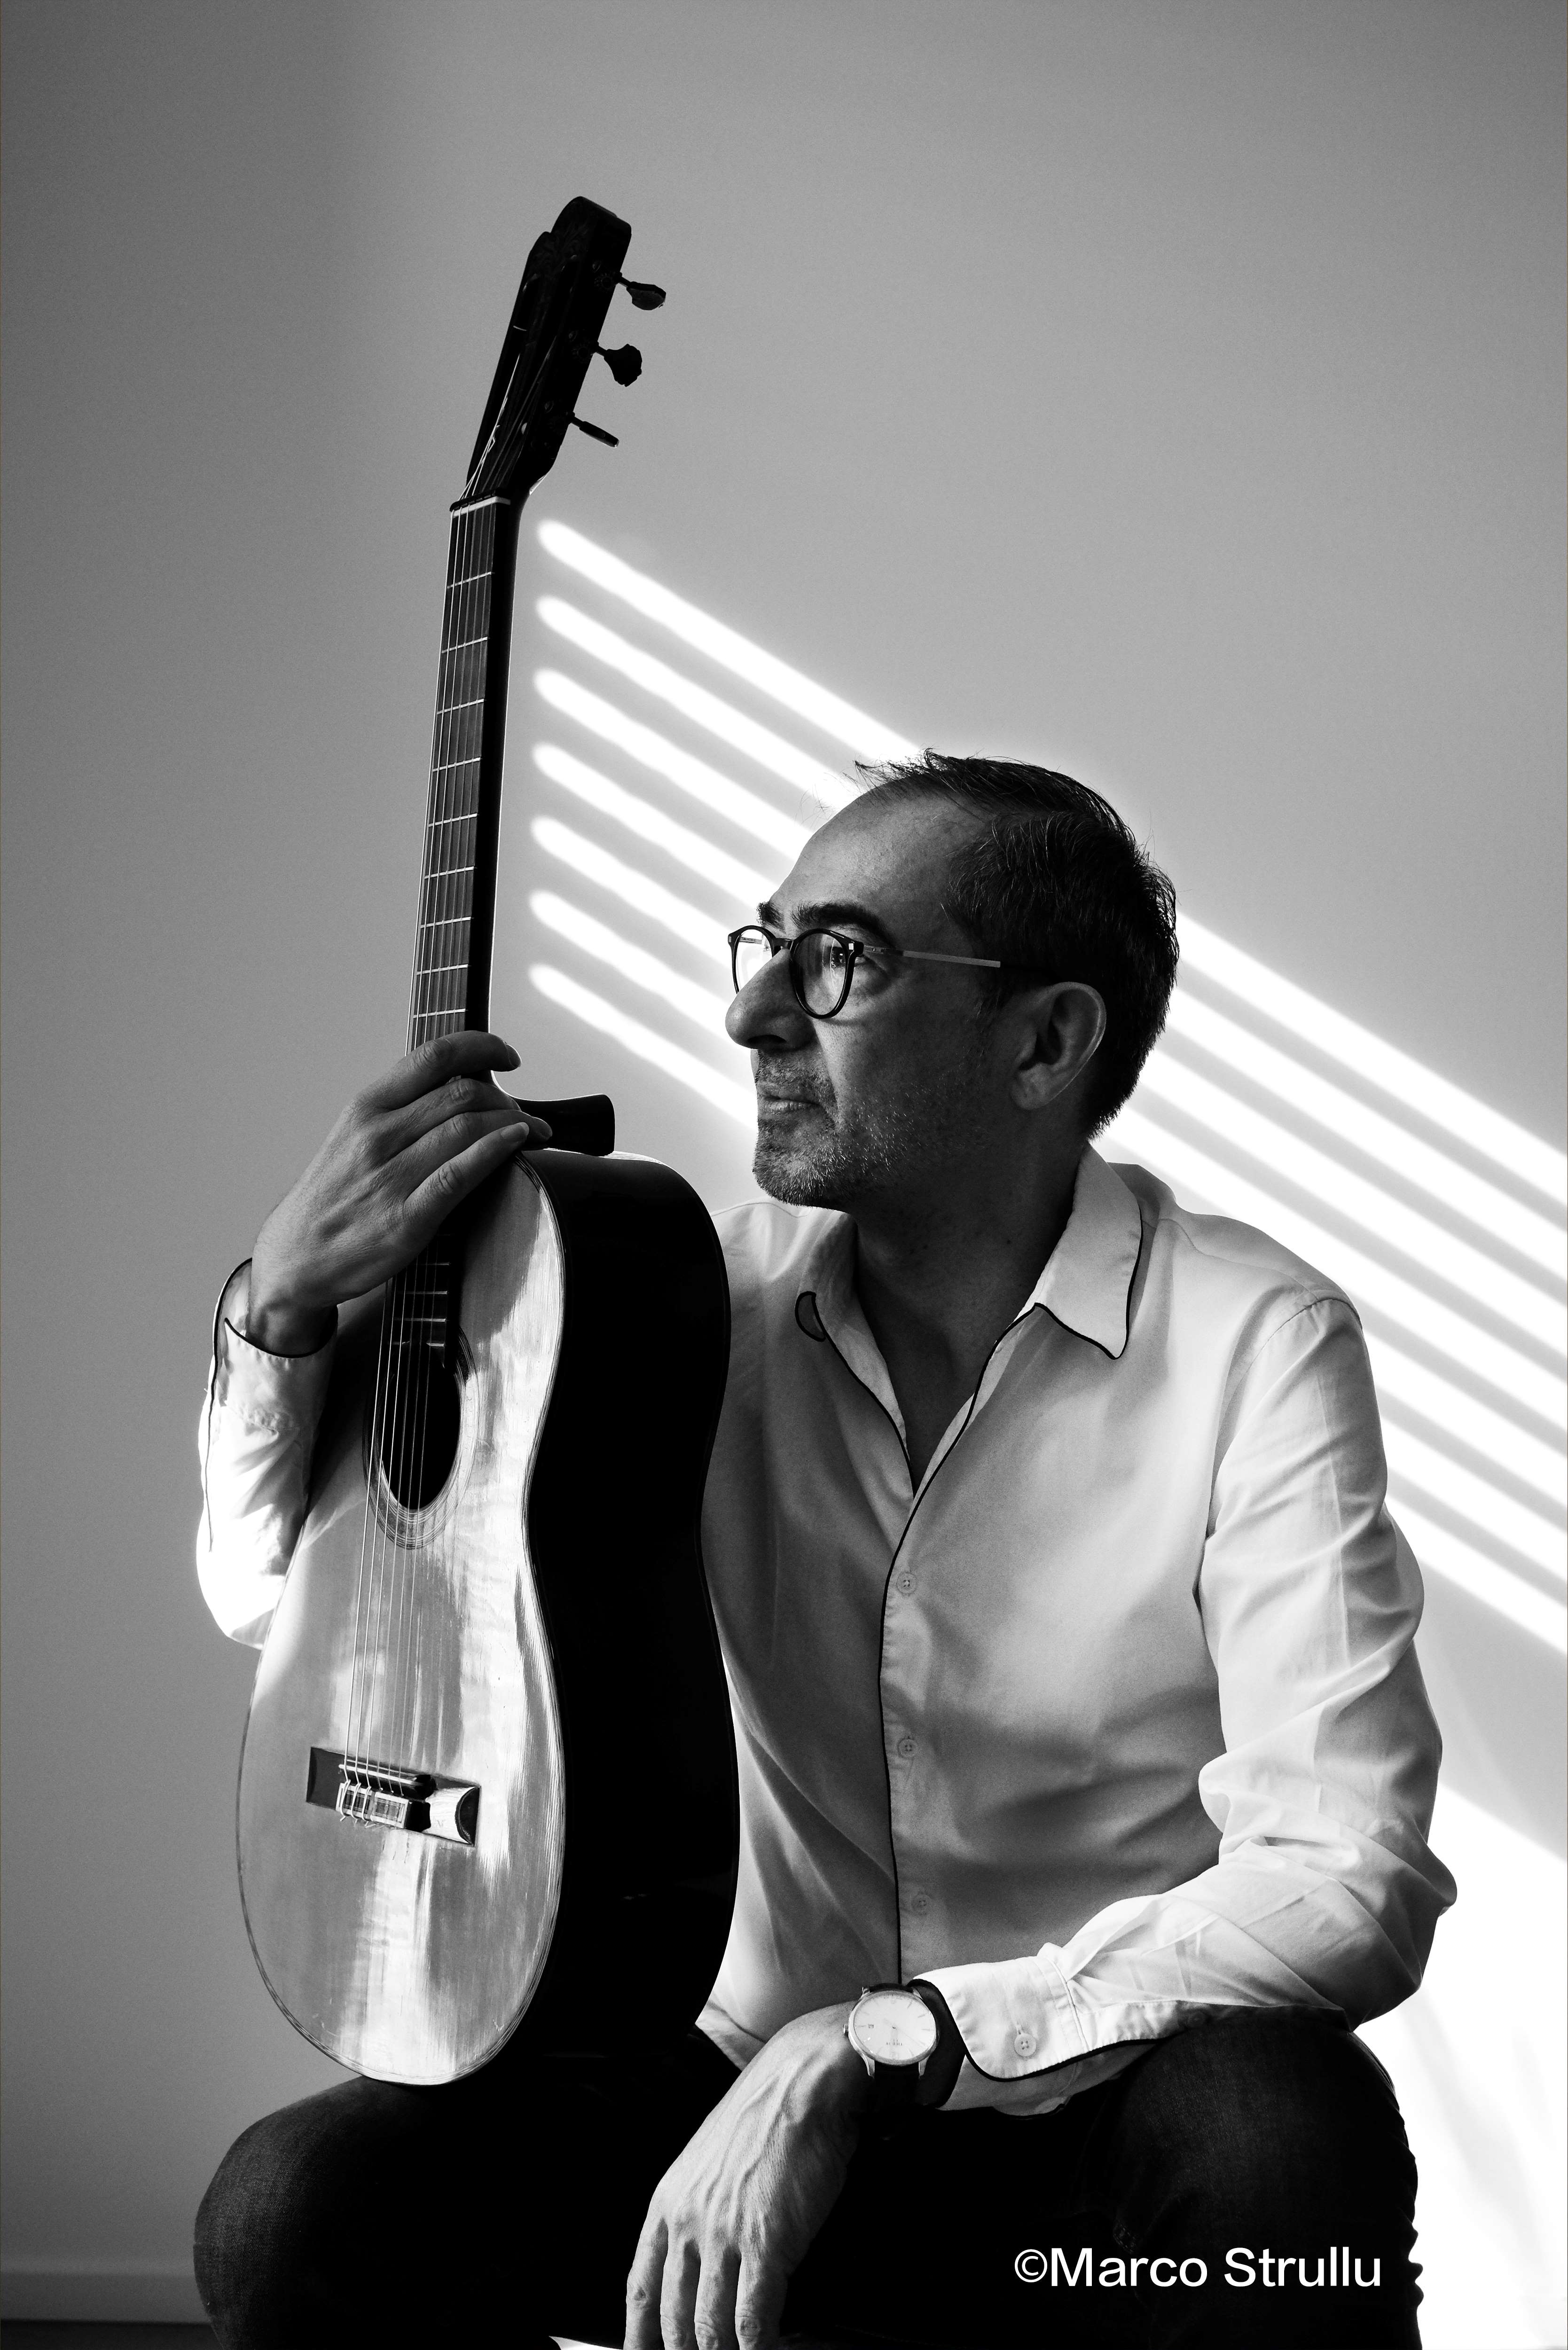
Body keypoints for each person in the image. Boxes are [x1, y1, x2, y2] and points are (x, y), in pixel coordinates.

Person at [193, 754, 1452, 2350]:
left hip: (1086, 2139)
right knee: (295, 2210)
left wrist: (886, 2042)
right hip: (722, 2108)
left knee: (1282, 2144)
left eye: (839, 958)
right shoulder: (672, 1309)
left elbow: (1348, 1872)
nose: (753, 1013)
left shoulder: (1256, 1342)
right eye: (767, 945)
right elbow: (274, 1609)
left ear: (1046, 1041)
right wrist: (283, 1314)